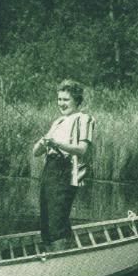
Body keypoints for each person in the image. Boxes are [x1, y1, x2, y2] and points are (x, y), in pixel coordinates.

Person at [32, 79, 95, 251]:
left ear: (76, 100)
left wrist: (57, 144)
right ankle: (51, 257)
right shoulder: (58, 122)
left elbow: (82, 150)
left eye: (66, 99)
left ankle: (63, 257)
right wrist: (44, 142)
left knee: (57, 220)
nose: (61, 103)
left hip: (67, 171)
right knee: (46, 220)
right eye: (59, 99)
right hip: (50, 171)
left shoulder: (84, 119)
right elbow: (35, 152)